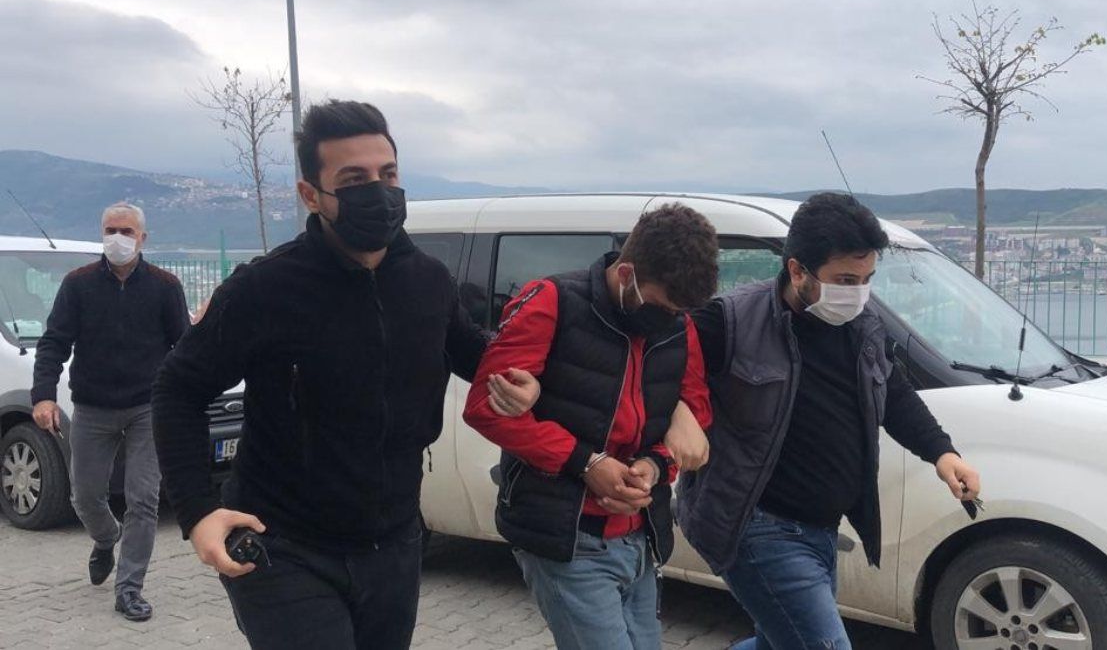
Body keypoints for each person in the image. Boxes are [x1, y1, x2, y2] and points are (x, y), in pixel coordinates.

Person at [151, 100, 537, 649]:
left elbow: (474, 354)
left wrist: (522, 378)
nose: (378, 191)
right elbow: (178, 389)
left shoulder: (428, 281)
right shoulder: (265, 288)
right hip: (283, 545)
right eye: (354, 180)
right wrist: (197, 512)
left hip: (395, 544)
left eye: (388, 174)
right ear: (311, 195)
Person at [676, 193, 982, 650]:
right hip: (758, 524)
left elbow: (893, 393)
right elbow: (655, 361)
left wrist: (942, 453)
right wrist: (678, 414)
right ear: (798, 270)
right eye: (844, 280)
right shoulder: (731, 321)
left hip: (822, 528)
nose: (857, 293)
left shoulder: (862, 325)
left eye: (867, 280)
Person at [463, 204, 718, 650]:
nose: (669, 320)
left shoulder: (679, 324)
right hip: (567, 535)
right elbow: (486, 407)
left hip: (640, 533)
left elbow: (694, 412)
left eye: (679, 312)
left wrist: (654, 467)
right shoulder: (552, 301)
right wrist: (586, 462)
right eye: (662, 307)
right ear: (627, 275)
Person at [31, 202, 189, 622]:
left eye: (126, 231)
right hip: (92, 407)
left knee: (143, 498)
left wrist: (186, 398)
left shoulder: (165, 286)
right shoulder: (78, 284)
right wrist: (43, 396)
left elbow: (184, 347)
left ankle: (129, 588)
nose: (117, 238)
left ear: (142, 238)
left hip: (146, 408)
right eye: (110, 230)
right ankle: (106, 538)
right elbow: (54, 342)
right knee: (84, 496)